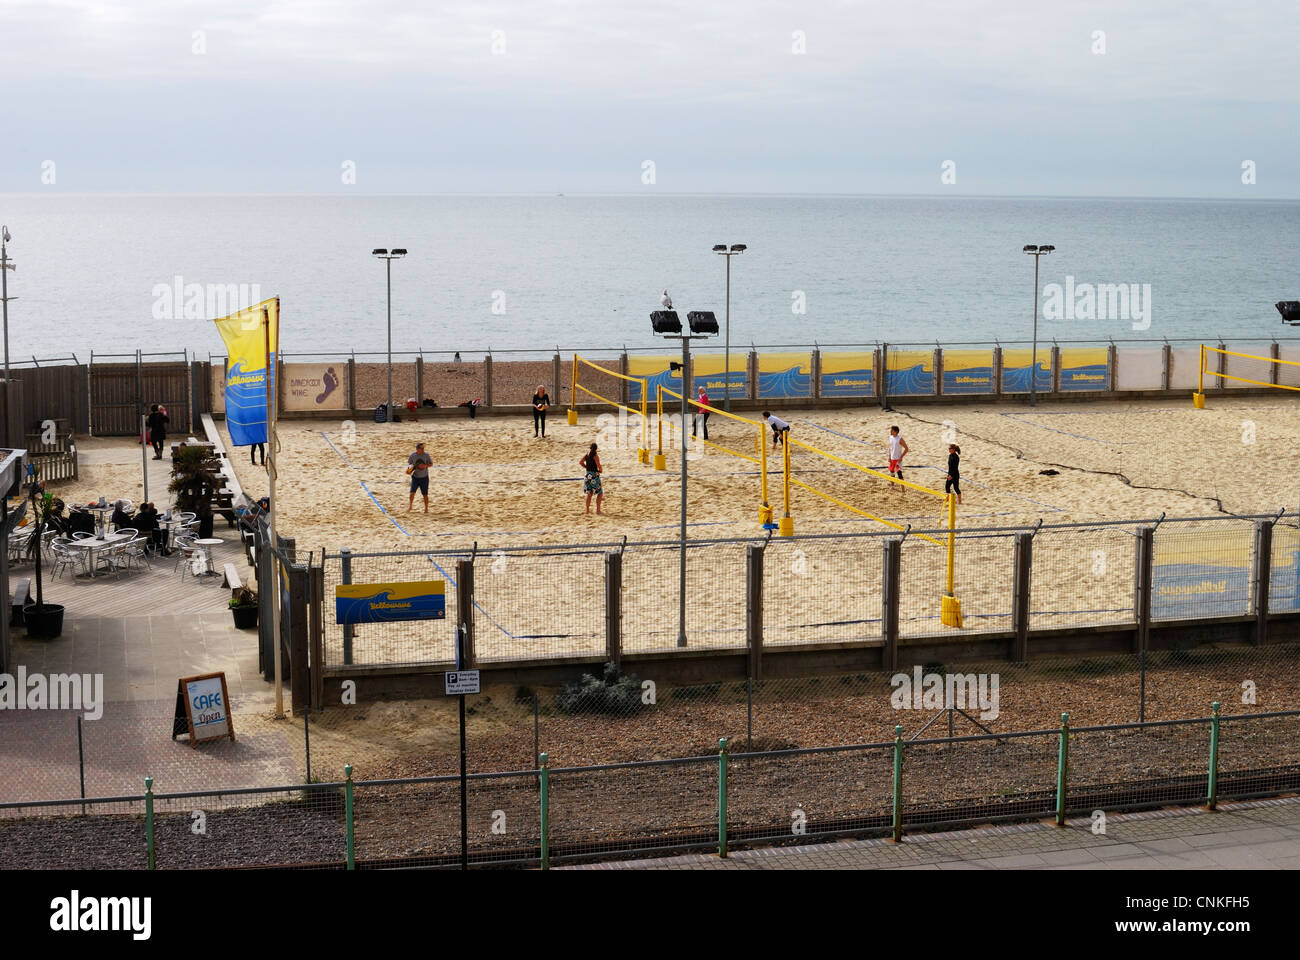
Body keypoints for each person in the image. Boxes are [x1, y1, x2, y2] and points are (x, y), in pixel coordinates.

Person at [407, 441, 433, 513]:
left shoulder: (426, 455)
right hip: (415, 477)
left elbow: (431, 464)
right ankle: (410, 506)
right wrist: (409, 470)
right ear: (417, 449)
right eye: (422, 448)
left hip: (424, 477)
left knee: (425, 494)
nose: (423, 449)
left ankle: (426, 509)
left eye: (423, 448)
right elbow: (410, 464)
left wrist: (425, 466)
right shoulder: (413, 456)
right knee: (412, 493)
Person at [580, 442, 603, 515]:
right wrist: (601, 470)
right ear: (596, 449)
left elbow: (580, 462)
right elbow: (598, 465)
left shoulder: (587, 454)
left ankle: (587, 511)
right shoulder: (595, 455)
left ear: (590, 448)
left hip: (587, 475)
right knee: (600, 493)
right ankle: (598, 510)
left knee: (589, 494)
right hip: (594, 475)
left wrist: (586, 467)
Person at [888, 425, 909, 493]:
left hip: (897, 460)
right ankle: (892, 486)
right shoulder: (891, 437)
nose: (890, 431)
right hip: (892, 459)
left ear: (896, 432)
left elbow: (906, 449)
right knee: (892, 473)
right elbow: (890, 447)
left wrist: (901, 457)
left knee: (899, 474)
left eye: (892, 430)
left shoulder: (899, 439)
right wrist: (889, 456)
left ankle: (903, 490)